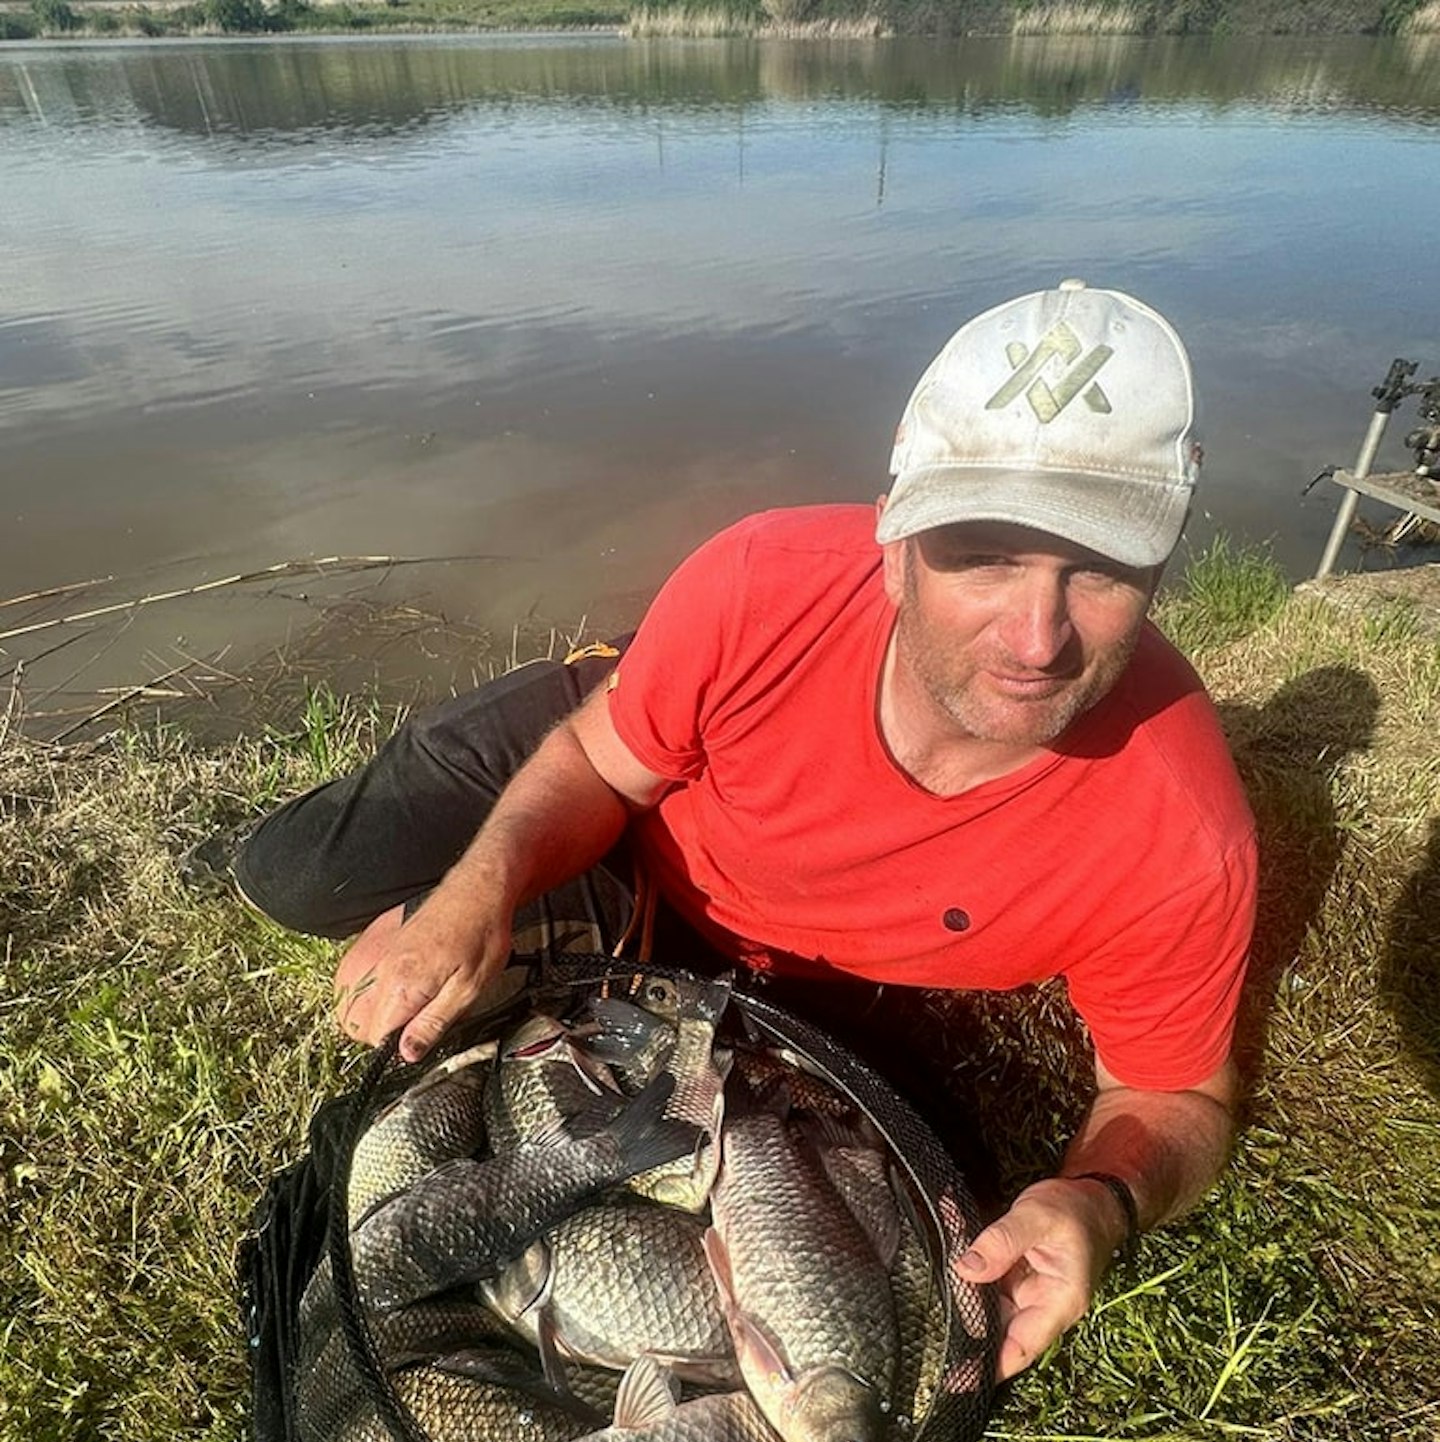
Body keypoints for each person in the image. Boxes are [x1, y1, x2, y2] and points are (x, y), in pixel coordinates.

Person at [228, 279, 1258, 1385]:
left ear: (1158, 569)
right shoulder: (764, 580)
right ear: (897, 537)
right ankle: (615, 678)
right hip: (633, 756)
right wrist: (476, 891)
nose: (1038, 636)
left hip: (739, 926)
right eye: (985, 555)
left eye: (1099, 570)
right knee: (292, 878)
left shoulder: (1179, 833)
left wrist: (1102, 1199)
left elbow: (1174, 1096)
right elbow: (596, 767)